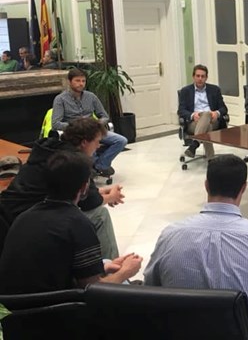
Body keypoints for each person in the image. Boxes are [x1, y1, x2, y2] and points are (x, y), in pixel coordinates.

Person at [144, 154, 248, 340]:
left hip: (180, 332)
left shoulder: (170, 235)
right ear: (244, 188)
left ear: (206, 185)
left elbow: (151, 290)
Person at [0, 151, 142, 294]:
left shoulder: (24, 217)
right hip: (43, 310)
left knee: (106, 263)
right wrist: (125, 272)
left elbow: (44, 269)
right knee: (126, 289)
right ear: (84, 187)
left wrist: (101, 268)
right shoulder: (78, 224)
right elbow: (92, 289)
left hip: (9, 308)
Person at [0, 118, 125, 259]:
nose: (98, 146)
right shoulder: (73, 161)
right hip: (27, 221)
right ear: (85, 142)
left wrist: (103, 193)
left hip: (9, 214)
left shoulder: (48, 151)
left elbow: (72, 193)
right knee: (100, 215)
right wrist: (111, 197)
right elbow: (89, 202)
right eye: (97, 142)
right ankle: (112, 273)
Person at [52, 67, 127, 177]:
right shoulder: (60, 99)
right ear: (69, 81)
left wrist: (96, 125)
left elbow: (105, 116)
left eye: (83, 81)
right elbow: (56, 124)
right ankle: (92, 166)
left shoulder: (91, 96)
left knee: (121, 141)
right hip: (75, 132)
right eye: (77, 81)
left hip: (93, 129)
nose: (81, 84)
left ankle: (100, 165)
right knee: (90, 142)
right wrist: (77, 126)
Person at [178, 64, 228, 160]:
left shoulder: (215, 90)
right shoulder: (185, 91)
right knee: (207, 127)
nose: (200, 78)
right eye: (198, 76)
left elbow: (223, 108)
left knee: (207, 114)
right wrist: (192, 115)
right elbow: (181, 110)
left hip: (213, 120)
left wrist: (216, 113)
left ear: (206, 77)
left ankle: (194, 145)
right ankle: (211, 159)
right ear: (193, 77)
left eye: (203, 76)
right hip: (194, 122)